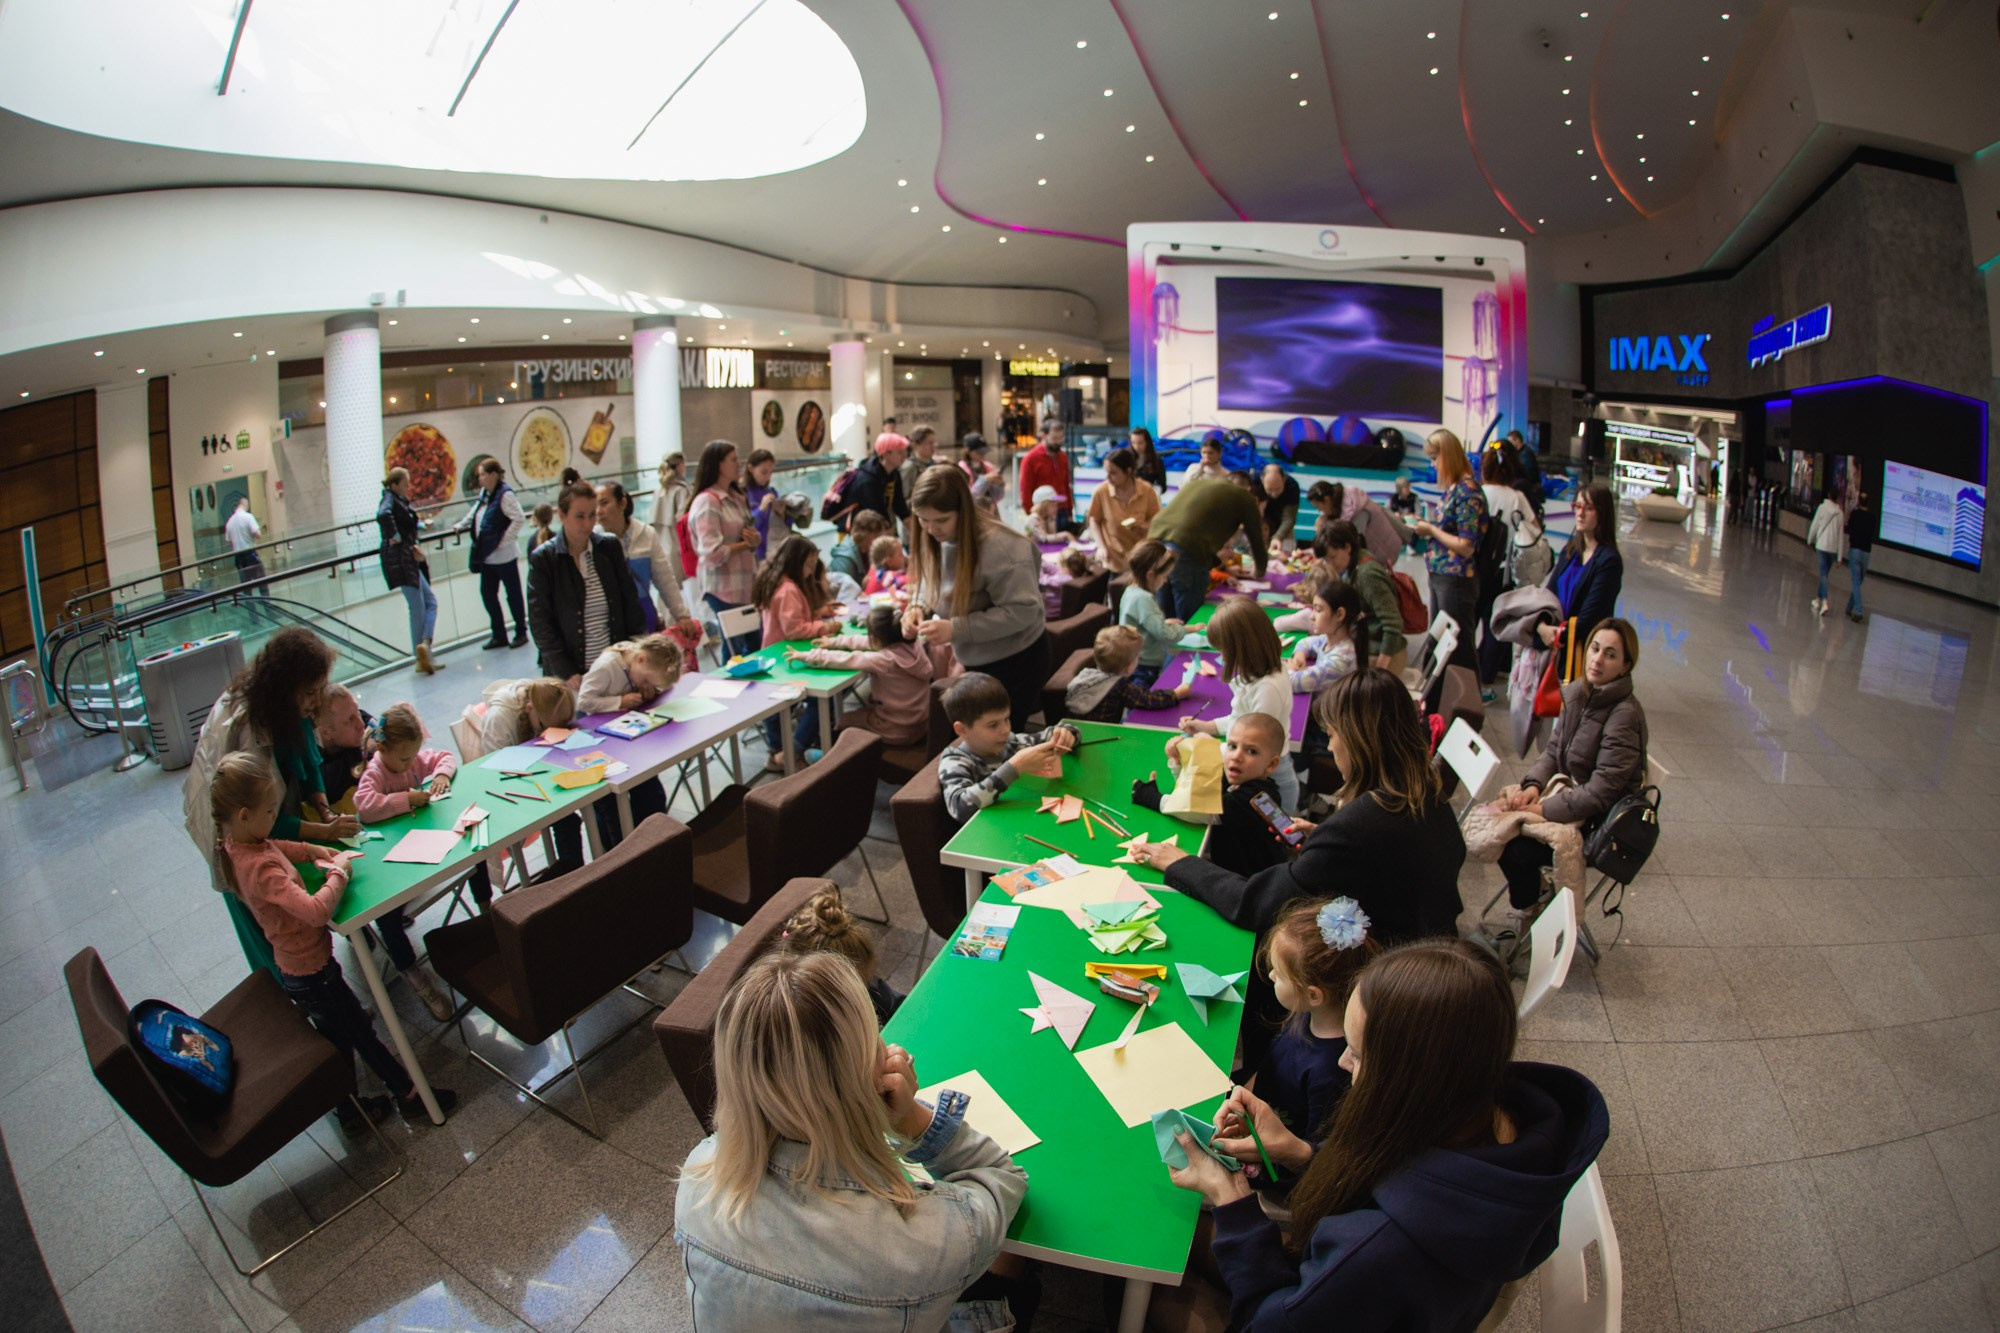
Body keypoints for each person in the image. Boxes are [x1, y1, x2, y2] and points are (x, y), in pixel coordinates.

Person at [1169, 940, 1608, 1333]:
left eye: (1357, 1055)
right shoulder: (1501, 1116)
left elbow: (1262, 1324)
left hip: (1325, 1298)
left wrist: (1230, 1197)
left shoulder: (1377, 1249)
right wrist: (1300, 1152)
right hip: (1381, 1301)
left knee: (1154, 1279)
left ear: (1408, 1084)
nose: (1341, 1063)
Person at [675, 952, 1028, 1330]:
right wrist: (914, 1119)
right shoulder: (918, 1242)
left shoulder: (697, 1182)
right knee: (1013, 1267)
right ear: (870, 1075)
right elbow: (1001, 1180)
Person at [1130, 669, 1465, 945]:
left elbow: (1257, 904)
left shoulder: (1359, 825)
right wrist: (1325, 842)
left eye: (1333, 734)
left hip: (1386, 969)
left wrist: (1181, 862)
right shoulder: (1426, 791)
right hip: (1427, 944)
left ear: (1356, 740)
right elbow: (1387, 863)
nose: (1331, 745)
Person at [211, 750, 456, 1128]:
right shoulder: (260, 870)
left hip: (306, 968)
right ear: (245, 815)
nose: (275, 818)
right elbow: (315, 911)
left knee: (346, 1038)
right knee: (354, 1035)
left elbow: (275, 846)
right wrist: (337, 873)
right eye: (270, 812)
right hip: (311, 973)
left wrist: (313, 850)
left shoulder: (240, 843)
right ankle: (399, 1095)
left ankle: (353, 1109)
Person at [1497, 618, 1647, 926]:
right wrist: (1534, 785)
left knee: (1514, 848)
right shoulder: (1578, 694)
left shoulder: (1624, 716)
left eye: (1610, 654)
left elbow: (1601, 792)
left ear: (1625, 666)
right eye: (1594, 648)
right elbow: (1553, 752)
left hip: (1597, 824)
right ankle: (1534, 899)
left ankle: (1532, 909)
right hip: (1567, 796)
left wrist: (1542, 809)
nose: (1597, 659)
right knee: (1500, 824)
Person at [1232, 897, 1379, 1190]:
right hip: (1258, 1111)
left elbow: (1311, 1157)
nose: (1271, 975)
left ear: (1313, 994)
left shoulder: (1332, 1070)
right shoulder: (1304, 1013)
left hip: (1276, 1163)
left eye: (1279, 974)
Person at [905, 466, 1050, 731]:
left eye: (941, 520)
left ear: (964, 511)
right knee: (984, 742)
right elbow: (935, 587)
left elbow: (1024, 610)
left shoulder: (1001, 548)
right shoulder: (937, 537)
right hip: (979, 657)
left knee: (999, 741)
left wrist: (956, 628)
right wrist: (918, 607)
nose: (931, 529)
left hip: (1018, 660)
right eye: (923, 520)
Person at [1174, 597, 1300, 813]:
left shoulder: (1268, 687)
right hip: (1259, 774)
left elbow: (1253, 747)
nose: (1221, 657)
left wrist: (1208, 746)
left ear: (1242, 648)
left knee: (1273, 843)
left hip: (1270, 782)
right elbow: (1241, 719)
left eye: (1224, 651)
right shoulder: (1259, 672)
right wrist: (1209, 727)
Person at [463, 678, 588, 888]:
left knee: (569, 817)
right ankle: (571, 883)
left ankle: (574, 881)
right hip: (510, 790)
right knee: (566, 819)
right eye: (543, 727)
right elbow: (497, 769)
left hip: (542, 780)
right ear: (530, 709)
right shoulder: (499, 718)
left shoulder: (543, 694)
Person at [1140, 712, 1292, 880]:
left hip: (1248, 881)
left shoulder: (1251, 798)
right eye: (1232, 746)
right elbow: (1196, 794)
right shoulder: (1241, 781)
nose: (1236, 756)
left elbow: (1198, 810)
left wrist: (1152, 798)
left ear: (1271, 764)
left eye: (1251, 751)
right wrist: (1178, 761)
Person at [527, 481, 646, 688]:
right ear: (562, 515)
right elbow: (540, 622)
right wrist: (566, 671)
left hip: (615, 667)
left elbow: (630, 603)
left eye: (592, 515)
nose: (588, 523)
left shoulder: (608, 547)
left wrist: (634, 654)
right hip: (572, 676)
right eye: (580, 516)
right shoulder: (544, 558)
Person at [937, 672, 1079, 824]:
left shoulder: (1010, 743)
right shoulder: (955, 760)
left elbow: (1058, 733)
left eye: (1006, 719)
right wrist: (1015, 767)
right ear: (962, 730)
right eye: (993, 725)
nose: (1005, 729)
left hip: (1019, 822)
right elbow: (961, 808)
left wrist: (1066, 734)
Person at [754, 534, 845, 766]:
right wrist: (824, 626)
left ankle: (781, 751)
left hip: (776, 654)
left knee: (782, 709)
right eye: (809, 565)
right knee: (818, 702)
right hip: (785, 657)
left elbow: (795, 619)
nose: (811, 571)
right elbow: (794, 629)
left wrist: (819, 613)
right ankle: (791, 751)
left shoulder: (779, 582)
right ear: (796, 562)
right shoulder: (789, 589)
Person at [789, 604, 933, 748]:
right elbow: (869, 643)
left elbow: (845, 659)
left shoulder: (884, 660)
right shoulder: (915, 645)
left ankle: (834, 756)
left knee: (844, 720)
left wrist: (808, 656)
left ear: (876, 639)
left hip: (895, 729)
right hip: (920, 726)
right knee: (859, 714)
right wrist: (835, 641)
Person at [1409, 429, 1486, 677]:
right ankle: (1436, 707)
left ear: (1448, 456)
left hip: (1456, 580)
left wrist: (1431, 529)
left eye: (1435, 459)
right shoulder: (1455, 488)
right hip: (1443, 576)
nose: (1433, 465)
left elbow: (1466, 545)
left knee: (1458, 649)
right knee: (1439, 644)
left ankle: (1465, 706)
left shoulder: (1467, 491)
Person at [595, 480, 701, 650]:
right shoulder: (592, 542)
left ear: (622, 502)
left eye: (604, 503)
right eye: (595, 505)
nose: (598, 511)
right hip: (608, 621)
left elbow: (664, 578)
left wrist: (681, 615)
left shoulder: (645, 534)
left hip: (643, 615)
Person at [777, 887, 906, 1024]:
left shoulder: (868, 988)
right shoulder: (806, 1025)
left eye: (863, 984)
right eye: (853, 990)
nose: (862, 994)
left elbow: (900, 1008)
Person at [1148, 477, 1268, 620]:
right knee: (1190, 617)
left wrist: (1221, 567)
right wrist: (1260, 570)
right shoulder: (1245, 498)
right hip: (1186, 548)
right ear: (1249, 490)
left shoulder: (1201, 483)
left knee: (1165, 615)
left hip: (1155, 541)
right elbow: (1256, 538)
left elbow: (1199, 533)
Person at [688, 440, 762, 656]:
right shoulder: (707, 502)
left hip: (744, 586)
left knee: (754, 649)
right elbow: (711, 553)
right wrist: (745, 545)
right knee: (734, 652)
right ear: (718, 464)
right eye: (733, 459)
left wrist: (752, 540)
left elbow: (746, 534)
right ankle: (729, 689)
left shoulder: (737, 498)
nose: (739, 464)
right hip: (723, 588)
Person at [1477, 448, 1542, 687]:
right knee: (1498, 622)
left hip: (1476, 568)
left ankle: (1470, 669)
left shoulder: (1479, 493)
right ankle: (1488, 675)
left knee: (1474, 619)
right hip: (1504, 569)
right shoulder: (1516, 497)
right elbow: (1535, 529)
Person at [1538, 484, 1623, 654]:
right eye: (1577, 506)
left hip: (1582, 652)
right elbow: (1548, 595)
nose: (1580, 513)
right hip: (1555, 646)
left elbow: (1589, 618)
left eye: (1589, 508)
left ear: (1603, 513)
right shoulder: (1571, 550)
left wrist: (1556, 635)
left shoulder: (1609, 562)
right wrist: (1541, 627)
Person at [1316, 522, 1405, 674]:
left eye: (1333, 557)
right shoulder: (1353, 564)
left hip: (1381, 654)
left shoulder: (1367, 574)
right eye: (1326, 559)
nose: (1330, 564)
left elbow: (1393, 624)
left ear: (1347, 547)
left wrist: (1380, 669)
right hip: (1367, 646)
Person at [377, 466, 442, 674]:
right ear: (394, 484)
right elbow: (382, 515)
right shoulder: (389, 499)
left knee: (427, 603)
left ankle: (424, 649)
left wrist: (420, 526)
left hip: (406, 559)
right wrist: (394, 536)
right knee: (419, 607)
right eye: (405, 484)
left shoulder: (396, 500)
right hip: (402, 560)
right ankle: (423, 654)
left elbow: (404, 522)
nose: (407, 488)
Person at [456, 458, 527, 649]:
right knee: (487, 594)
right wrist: (462, 524)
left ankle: (521, 632)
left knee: (512, 595)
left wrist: (503, 540)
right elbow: (476, 511)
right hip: (488, 556)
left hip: (504, 557)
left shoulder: (505, 495)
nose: (480, 479)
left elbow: (519, 518)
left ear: (493, 475)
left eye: (482, 474)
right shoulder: (485, 494)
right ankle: (499, 634)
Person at [1065, 624, 1191, 723]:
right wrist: (1175, 694)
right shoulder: (1119, 686)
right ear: (1129, 666)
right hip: (1103, 735)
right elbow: (1148, 700)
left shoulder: (1085, 674)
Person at [1119, 539, 1186, 688]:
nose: (1165, 580)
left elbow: (1141, 622)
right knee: (1141, 703)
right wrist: (1186, 629)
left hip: (1135, 662)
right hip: (1144, 666)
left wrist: (1163, 622)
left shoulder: (1131, 590)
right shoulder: (1144, 598)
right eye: (1163, 576)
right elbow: (1164, 634)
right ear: (1150, 575)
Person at [1087, 447, 1162, 573]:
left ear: (1128, 471)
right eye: (1106, 472)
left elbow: (1157, 519)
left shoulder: (1146, 490)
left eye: (1113, 473)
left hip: (1141, 558)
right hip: (1114, 559)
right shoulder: (1101, 491)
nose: (1108, 477)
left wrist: (1143, 526)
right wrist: (1101, 547)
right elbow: (1094, 520)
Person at [1287, 582, 1368, 698]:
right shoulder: (1329, 639)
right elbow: (1305, 642)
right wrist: (1300, 655)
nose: (1312, 616)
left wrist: (1289, 668)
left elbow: (1292, 682)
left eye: (1318, 610)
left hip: (1326, 713)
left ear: (1339, 614)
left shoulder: (1341, 660)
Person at [576, 632, 685, 715]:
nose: (645, 686)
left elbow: (665, 685)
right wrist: (620, 702)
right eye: (645, 681)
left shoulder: (641, 660)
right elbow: (583, 702)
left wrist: (653, 690)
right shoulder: (606, 666)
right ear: (641, 659)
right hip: (601, 724)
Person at [842, 433, 911, 532]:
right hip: (856, 531)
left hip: (874, 528)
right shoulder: (868, 479)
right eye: (900, 452)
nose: (905, 456)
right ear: (886, 454)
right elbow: (878, 514)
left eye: (905, 451)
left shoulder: (893, 473)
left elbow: (900, 506)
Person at [1018, 419, 1074, 529]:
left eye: (1060, 438)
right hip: (1042, 513)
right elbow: (1025, 490)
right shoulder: (1030, 459)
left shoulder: (1062, 457)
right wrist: (1031, 515)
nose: (1058, 442)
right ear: (1044, 436)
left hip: (1061, 510)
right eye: (1054, 438)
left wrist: (1070, 512)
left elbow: (1066, 485)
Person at [828, 508, 890, 593]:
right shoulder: (844, 560)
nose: (880, 541)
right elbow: (841, 594)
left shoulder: (867, 550)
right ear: (863, 535)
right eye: (877, 537)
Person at [1808, 486, 1846, 619]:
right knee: (1824, 574)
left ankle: (1824, 602)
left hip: (1822, 545)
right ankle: (1818, 600)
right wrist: (1840, 556)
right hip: (1832, 549)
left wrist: (1810, 539)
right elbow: (1841, 536)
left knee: (1823, 574)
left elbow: (1815, 525)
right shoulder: (1840, 513)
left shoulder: (1822, 508)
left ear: (1829, 495)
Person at [897, 425, 940, 539]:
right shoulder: (909, 467)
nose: (933, 447)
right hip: (916, 524)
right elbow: (903, 500)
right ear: (916, 445)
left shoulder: (935, 464)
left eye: (934, 443)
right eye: (929, 443)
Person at [224, 496, 268, 596]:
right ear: (246, 505)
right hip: (250, 554)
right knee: (262, 582)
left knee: (246, 586)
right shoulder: (248, 517)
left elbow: (228, 542)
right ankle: (267, 607)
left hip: (238, 558)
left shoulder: (229, 522)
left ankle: (250, 609)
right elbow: (257, 534)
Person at [1845, 488, 1875, 622]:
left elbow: (1849, 527)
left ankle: (1858, 610)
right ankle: (1849, 607)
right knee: (1858, 582)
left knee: (1856, 582)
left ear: (1859, 502)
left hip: (1855, 550)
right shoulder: (1872, 517)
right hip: (1866, 553)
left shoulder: (1855, 514)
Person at [1260, 465, 1302, 555]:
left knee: (1286, 554)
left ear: (1284, 479)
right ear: (1262, 480)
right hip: (1262, 522)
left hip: (1283, 521)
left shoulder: (1292, 486)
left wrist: (1278, 537)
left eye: (1278, 489)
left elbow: (1289, 517)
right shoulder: (1255, 483)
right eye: (1269, 490)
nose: (1274, 494)